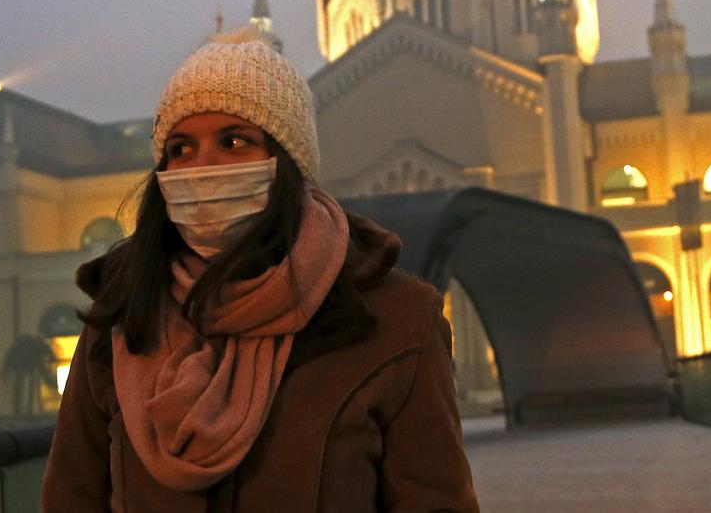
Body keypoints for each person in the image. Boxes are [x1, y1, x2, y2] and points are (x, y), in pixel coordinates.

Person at [41, 27, 479, 512]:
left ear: (287, 163)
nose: (202, 166)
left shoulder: (394, 319)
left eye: (234, 141)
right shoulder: (122, 317)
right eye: (180, 148)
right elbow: (71, 498)